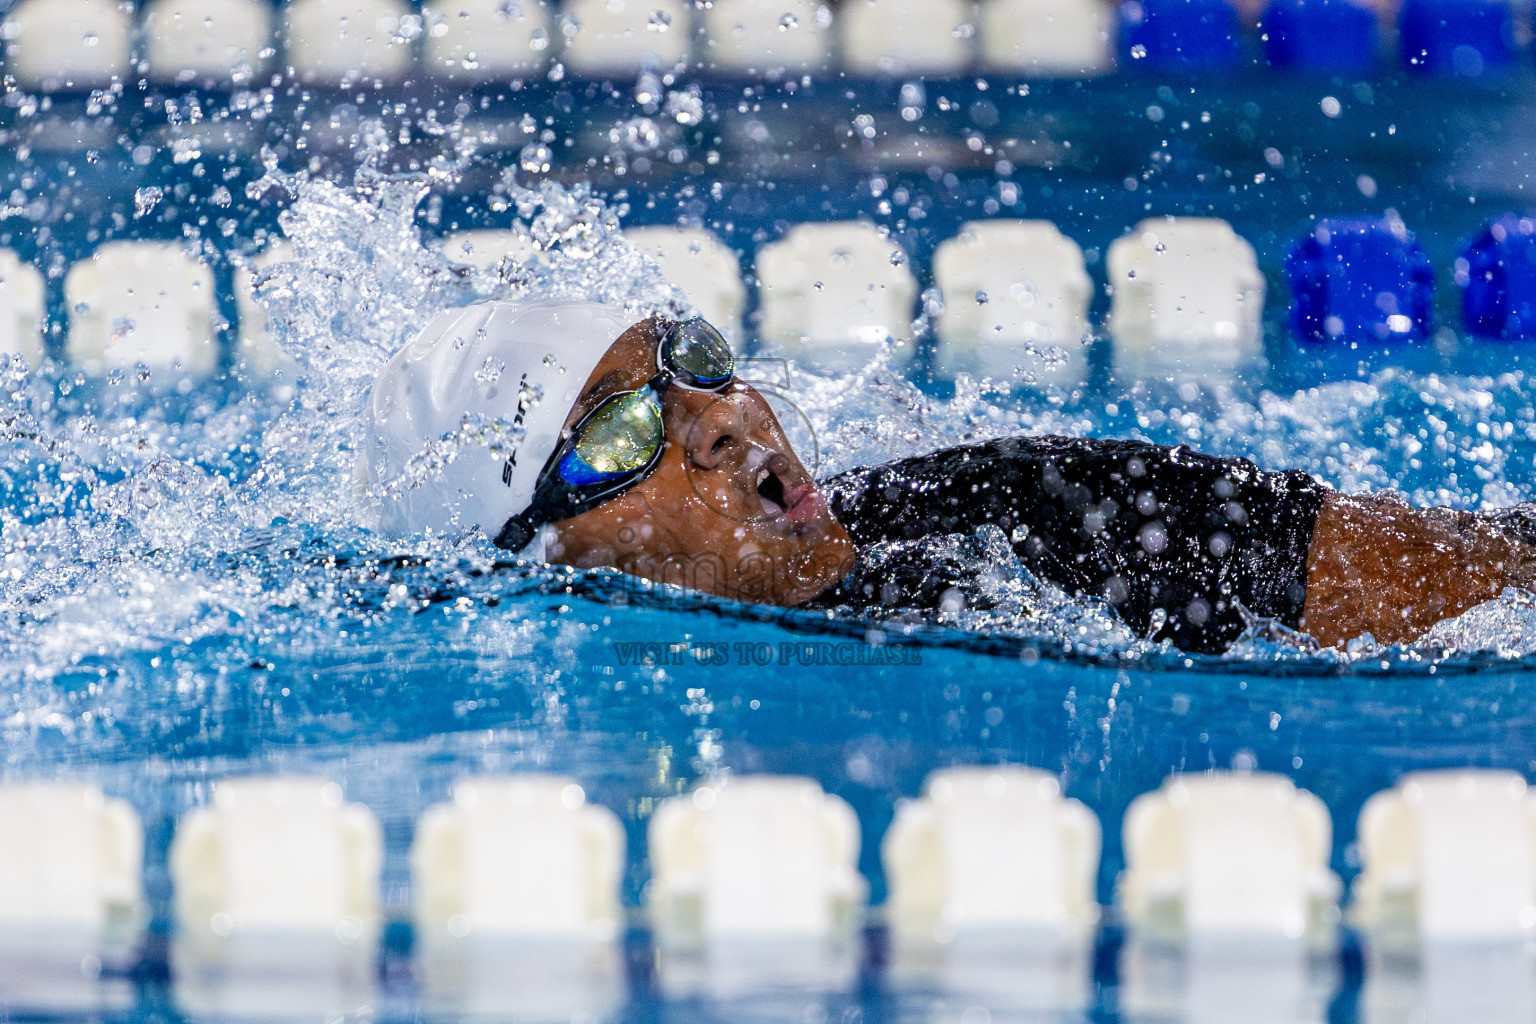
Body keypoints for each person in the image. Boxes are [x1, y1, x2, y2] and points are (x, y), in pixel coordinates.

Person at [357, 300, 1536, 654]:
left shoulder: (1055, 518)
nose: (717, 421)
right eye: (621, 434)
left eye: (696, 364)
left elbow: (1498, 583)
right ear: (540, 550)